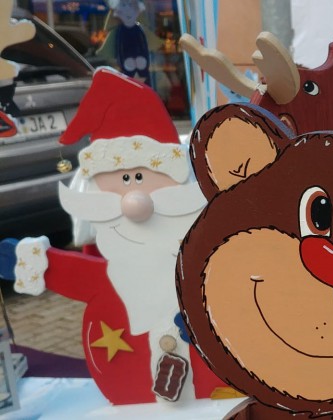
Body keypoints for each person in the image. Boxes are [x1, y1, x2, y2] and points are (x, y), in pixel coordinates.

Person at [8, 68, 226, 405]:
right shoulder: (117, 265)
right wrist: (33, 262)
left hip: (216, 390)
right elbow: (85, 278)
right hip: (129, 388)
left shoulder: (211, 258)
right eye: (123, 180)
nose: (133, 201)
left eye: (141, 177)